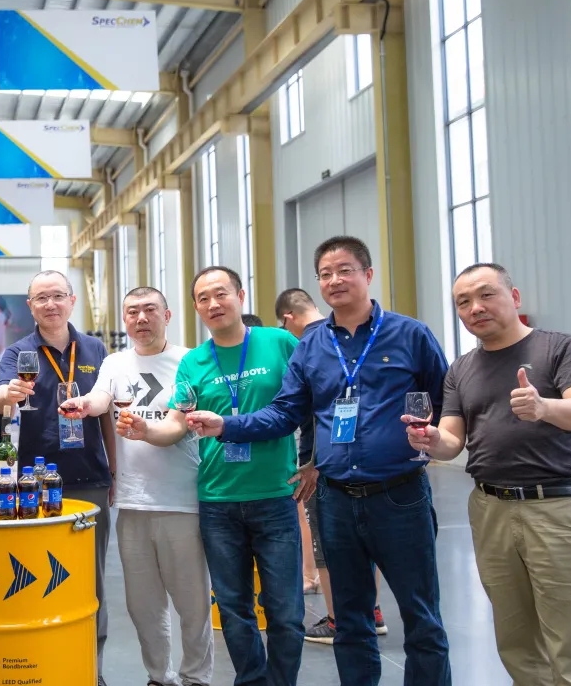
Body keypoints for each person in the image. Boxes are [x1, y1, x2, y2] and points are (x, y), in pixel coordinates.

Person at [193, 237, 452, 685]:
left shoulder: (410, 335)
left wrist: (435, 441)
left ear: (367, 275)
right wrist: (225, 426)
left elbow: (445, 400)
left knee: (421, 617)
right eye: (325, 274)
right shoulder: (312, 345)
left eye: (345, 270)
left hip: (399, 495)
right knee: (350, 622)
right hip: (336, 501)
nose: (335, 280)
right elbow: (285, 412)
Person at [406, 262, 571, 684]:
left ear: (515, 296)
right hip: (490, 509)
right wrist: (430, 439)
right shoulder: (461, 369)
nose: (475, 307)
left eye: (486, 294)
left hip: (557, 508)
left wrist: (544, 407)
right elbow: (452, 440)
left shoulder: (558, 348)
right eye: (463, 302)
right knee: (516, 642)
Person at [121, 267, 308, 686]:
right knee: (233, 610)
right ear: (195, 308)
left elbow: (314, 399)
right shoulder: (194, 362)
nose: (213, 304)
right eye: (203, 298)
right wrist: (146, 431)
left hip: (274, 497)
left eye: (221, 294)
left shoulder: (279, 343)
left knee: (285, 612)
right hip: (218, 502)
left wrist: (315, 459)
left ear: (240, 296)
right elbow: (176, 423)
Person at [73, 287, 213, 686]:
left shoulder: (190, 360)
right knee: (143, 606)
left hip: (182, 501)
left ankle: (196, 677)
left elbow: (179, 423)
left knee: (192, 603)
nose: (141, 318)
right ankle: (158, 676)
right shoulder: (114, 362)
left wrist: (145, 429)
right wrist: (84, 405)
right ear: (124, 319)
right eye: (132, 311)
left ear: (167, 316)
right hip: (133, 504)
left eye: (150, 309)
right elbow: (101, 397)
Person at [0, 270, 116, 686]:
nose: (50, 304)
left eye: (58, 296)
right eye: (41, 298)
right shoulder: (17, 352)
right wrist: (7, 395)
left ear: (72, 300)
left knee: (92, 581)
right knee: (36, 576)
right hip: (34, 483)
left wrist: (114, 470)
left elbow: (107, 414)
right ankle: (44, 664)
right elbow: (0, 397)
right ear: (30, 306)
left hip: (90, 478)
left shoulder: (95, 349)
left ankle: (91, 669)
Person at [274, 288, 390, 644]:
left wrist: (311, 461)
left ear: (288, 318)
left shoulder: (308, 346)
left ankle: (339, 618)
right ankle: (372, 611)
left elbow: (300, 409)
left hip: (321, 460)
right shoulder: (345, 339)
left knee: (326, 542)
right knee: (366, 541)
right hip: (363, 458)